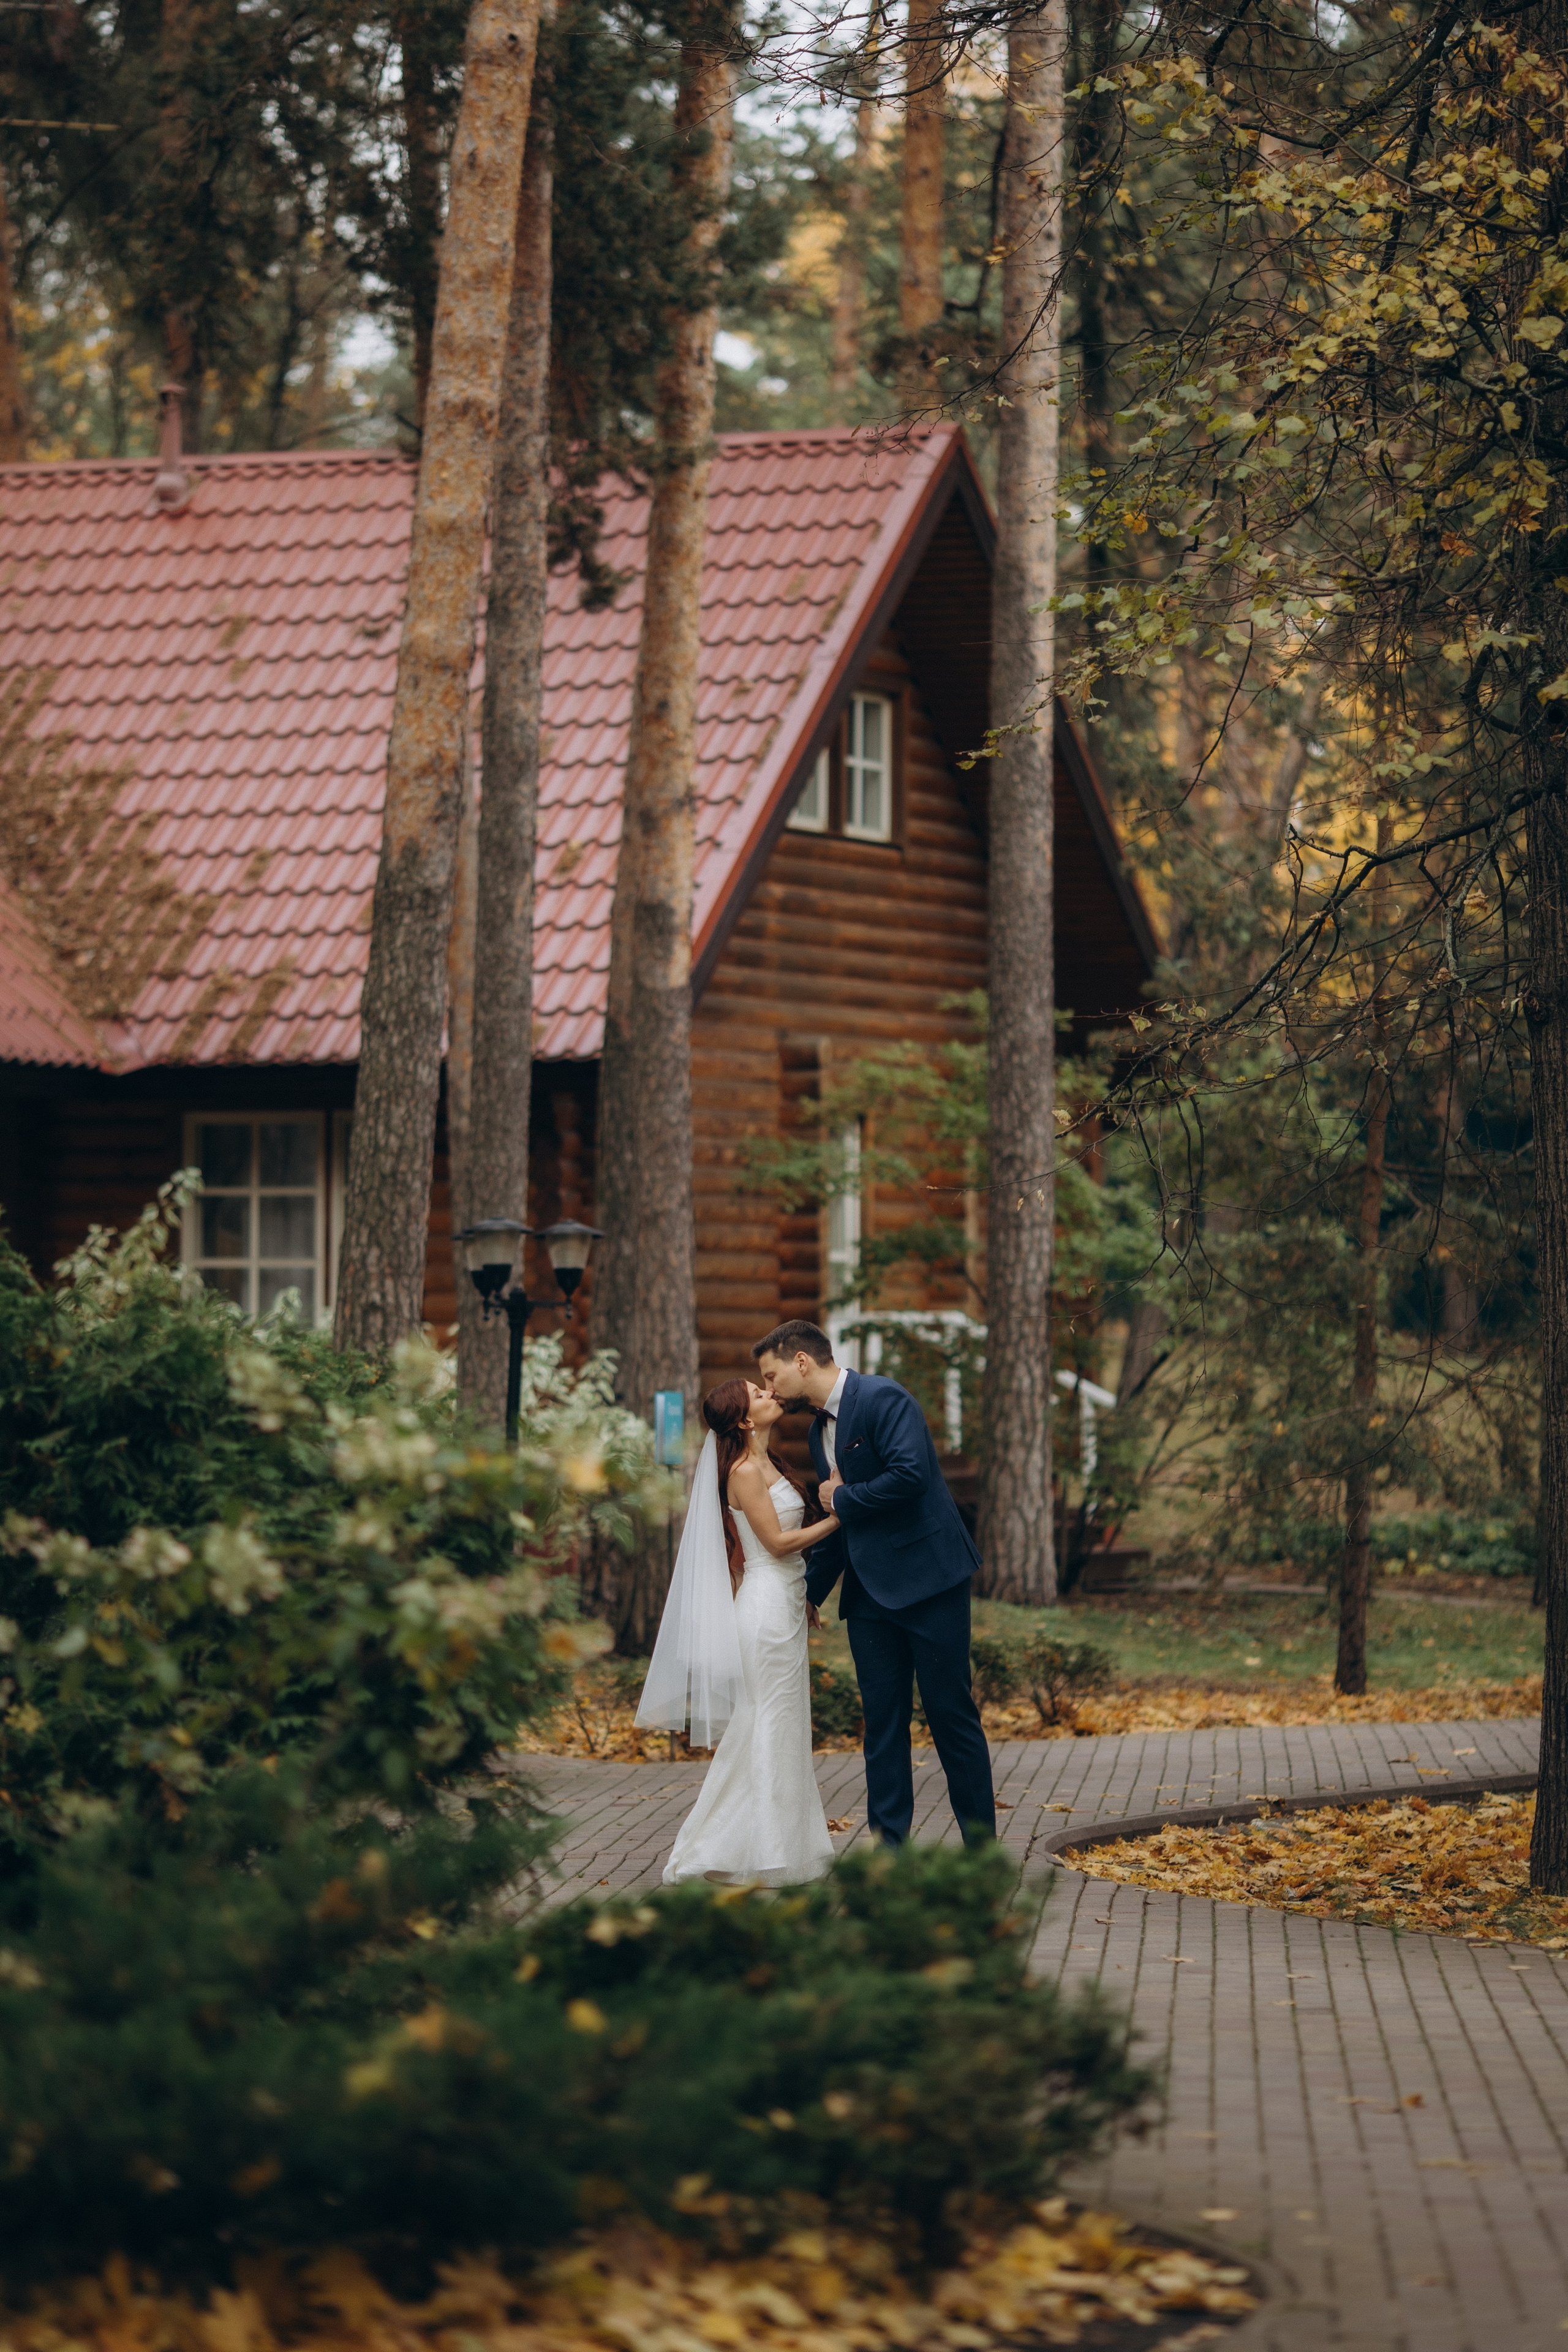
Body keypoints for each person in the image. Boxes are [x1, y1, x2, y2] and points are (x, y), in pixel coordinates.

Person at [752, 1319, 995, 1849]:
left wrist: (841, 1498)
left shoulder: (885, 1398)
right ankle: (890, 1855)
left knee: (951, 1719)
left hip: (931, 1584)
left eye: (771, 1376)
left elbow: (910, 1476)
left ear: (801, 1361)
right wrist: (810, 1593)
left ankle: (982, 1852)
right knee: (882, 1732)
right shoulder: (819, 1432)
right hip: (868, 1601)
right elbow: (843, 1529)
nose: (769, 1390)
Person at [636, 1376, 842, 1885]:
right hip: (766, 1610)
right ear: (746, 1420)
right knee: (766, 1725)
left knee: (781, 1726)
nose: (770, 1393)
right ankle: (737, 1849)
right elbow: (775, 1544)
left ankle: (775, 1847)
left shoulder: (770, 1462)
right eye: (758, 1394)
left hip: (786, 1603)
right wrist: (843, 1517)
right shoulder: (746, 1471)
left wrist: (807, 1598)